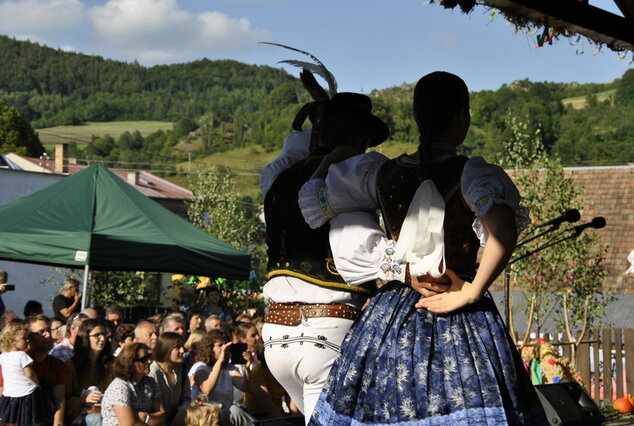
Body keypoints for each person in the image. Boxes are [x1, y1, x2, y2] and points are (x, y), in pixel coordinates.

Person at [299, 71, 547, 424]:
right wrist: (473, 291)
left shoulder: (380, 174)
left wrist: (330, 159)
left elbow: (313, 199)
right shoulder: (471, 174)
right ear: (464, 118)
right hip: (457, 302)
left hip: (394, 309)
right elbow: (503, 230)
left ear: (416, 116)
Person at [260, 69, 389, 421]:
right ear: (361, 136)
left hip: (275, 336)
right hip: (328, 329)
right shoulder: (355, 172)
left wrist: (322, 110)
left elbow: (294, 151)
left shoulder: (277, 178)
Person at [188, 329, 253, 426]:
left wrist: (247, 369)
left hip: (225, 411)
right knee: (234, 411)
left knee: (234, 410)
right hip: (205, 413)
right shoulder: (200, 367)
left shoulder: (229, 368)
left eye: (226, 344)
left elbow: (245, 387)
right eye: (220, 345)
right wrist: (219, 361)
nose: (224, 348)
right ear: (209, 348)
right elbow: (206, 389)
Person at [100, 342, 165, 425]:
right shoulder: (119, 387)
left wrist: (146, 417)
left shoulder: (150, 382)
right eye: (143, 359)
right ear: (129, 363)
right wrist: (152, 419)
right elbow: (128, 424)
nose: (149, 361)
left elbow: (162, 415)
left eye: (149, 357)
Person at [65, 319, 115, 425]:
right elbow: (63, 402)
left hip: (107, 414)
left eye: (104, 334)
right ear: (85, 338)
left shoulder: (112, 364)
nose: (102, 339)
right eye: (97, 335)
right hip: (79, 417)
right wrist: (83, 400)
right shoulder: (71, 366)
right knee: (97, 419)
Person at [0, 322, 46, 425]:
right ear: (12, 341)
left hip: (10, 394)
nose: (28, 340)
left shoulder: (3, 356)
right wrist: (37, 383)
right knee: (29, 420)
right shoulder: (22, 355)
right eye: (24, 338)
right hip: (27, 393)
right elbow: (29, 374)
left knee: (14, 420)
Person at [25, 314, 67, 425]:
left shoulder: (58, 365)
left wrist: (58, 423)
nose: (48, 335)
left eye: (48, 330)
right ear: (28, 337)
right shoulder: (17, 362)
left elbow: (59, 398)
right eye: (41, 332)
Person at [149, 332, 191, 425]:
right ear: (165, 349)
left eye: (182, 346)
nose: (182, 351)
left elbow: (187, 397)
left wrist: (182, 410)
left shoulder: (181, 369)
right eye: (177, 347)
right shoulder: (152, 372)